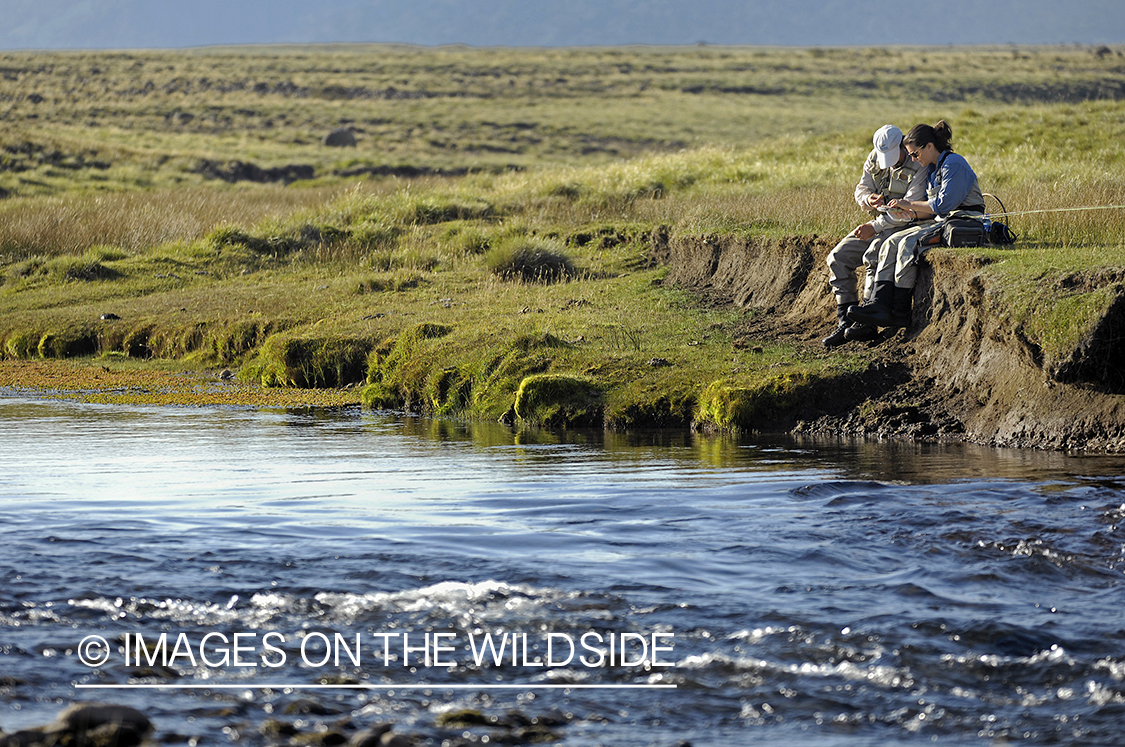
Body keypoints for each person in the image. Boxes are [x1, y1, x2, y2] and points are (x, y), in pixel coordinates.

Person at [847, 120, 985, 330]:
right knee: (890, 242)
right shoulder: (932, 169)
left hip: (961, 221)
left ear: (929, 146)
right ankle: (879, 304)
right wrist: (905, 211)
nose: (913, 158)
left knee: (906, 244)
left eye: (915, 154)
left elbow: (943, 205)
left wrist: (908, 204)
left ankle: (899, 312)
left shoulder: (953, 164)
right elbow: (928, 209)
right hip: (942, 221)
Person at [822, 125, 929, 349]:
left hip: (899, 226)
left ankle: (868, 317)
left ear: (903, 145)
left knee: (874, 254)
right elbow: (861, 188)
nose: (889, 163)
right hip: (876, 224)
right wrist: (868, 199)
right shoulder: (874, 158)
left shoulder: (919, 163)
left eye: (895, 156)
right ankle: (846, 321)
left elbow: (910, 210)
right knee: (837, 258)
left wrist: (875, 227)